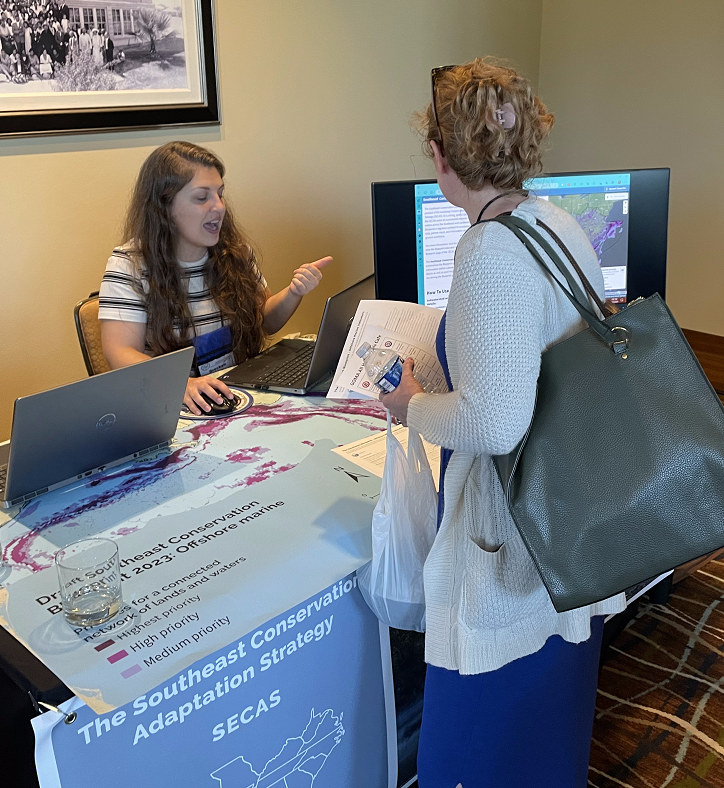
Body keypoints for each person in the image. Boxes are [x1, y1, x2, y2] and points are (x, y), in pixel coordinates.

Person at [380, 59, 626, 788]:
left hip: (509, 535)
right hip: (569, 507)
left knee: (472, 744)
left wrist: (410, 406)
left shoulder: (488, 250)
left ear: (440, 155)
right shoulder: (554, 224)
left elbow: (495, 423)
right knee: (546, 723)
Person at [99, 141, 333, 415]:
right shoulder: (129, 265)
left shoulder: (236, 252)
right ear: (164, 207)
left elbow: (265, 321)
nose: (219, 207)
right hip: (176, 409)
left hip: (236, 398)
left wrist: (294, 292)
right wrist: (180, 384)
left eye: (220, 194)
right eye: (202, 198)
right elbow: (120, 352)